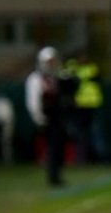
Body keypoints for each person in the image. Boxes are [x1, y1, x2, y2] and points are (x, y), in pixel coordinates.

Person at [25, 46, 75, 186]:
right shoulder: (35, 79)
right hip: (46, 118)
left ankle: (57, 174)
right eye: (49, 62)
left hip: (58, 117)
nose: (51, 65)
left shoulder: (56, 77)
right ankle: (53, 176)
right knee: (52, 147)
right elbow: (33, 100)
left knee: (59, 147)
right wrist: (39, 118)